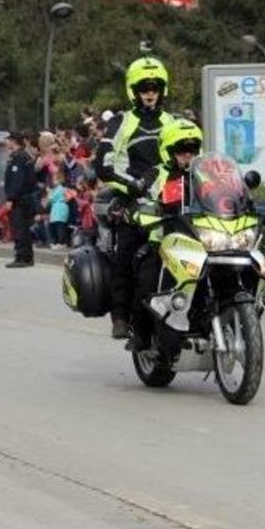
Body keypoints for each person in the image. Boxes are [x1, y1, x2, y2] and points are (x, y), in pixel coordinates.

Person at [92, 50, 176, 338]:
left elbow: (196, 157)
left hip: (171, 200)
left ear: (162, 90)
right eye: (144, 87)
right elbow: (103, 162)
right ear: (134, 90)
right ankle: (119, 315)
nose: (150, 93)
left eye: (154, 87)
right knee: (126, 253)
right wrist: (132, 184)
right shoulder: (121, 122)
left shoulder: (173, 122)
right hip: (134, 198)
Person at [129, 118, 204, 349]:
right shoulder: (156, 174)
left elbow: (225, 197)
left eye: (192, 150)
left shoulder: (205, 174)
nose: (187, 156)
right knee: (146, 282)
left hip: (202, 241)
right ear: (169, 151)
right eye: (182, 151)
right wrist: (139, 210)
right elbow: (140, 198)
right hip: (164, 241)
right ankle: (141, 335)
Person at [3, 131, 38, 267]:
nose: (5, 142)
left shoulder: (18, 157)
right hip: (24, 198)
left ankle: (22, 257)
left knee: (19, 228)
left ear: (13, 141)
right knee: (24, 228)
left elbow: (18, 180)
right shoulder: (23, 155)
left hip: (20, 199)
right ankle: (27, 257)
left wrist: (11, 198)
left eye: (7, 140)